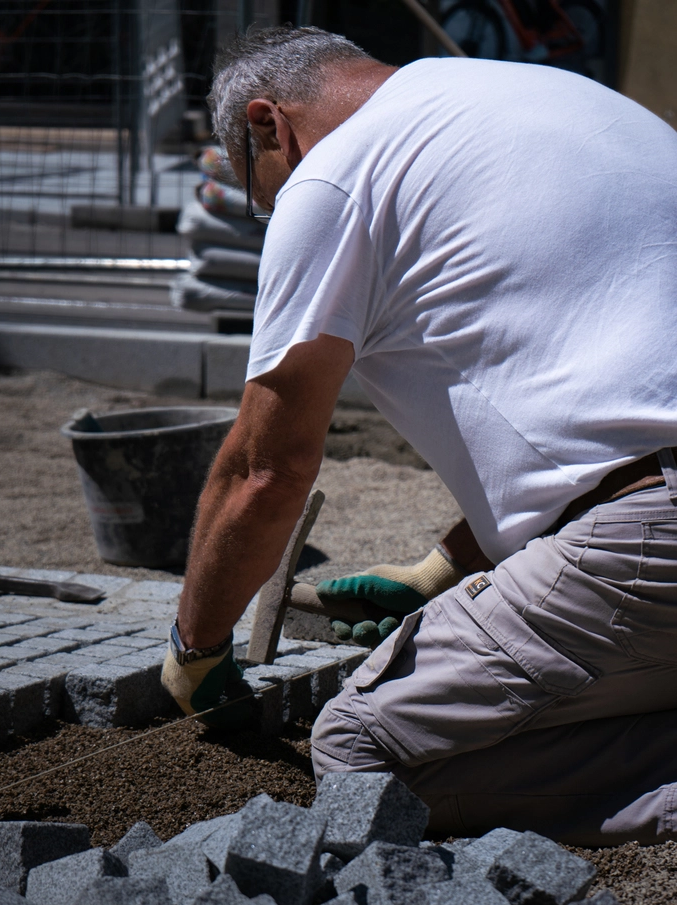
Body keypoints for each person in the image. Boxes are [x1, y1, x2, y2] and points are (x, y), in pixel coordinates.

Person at [161, 26, 677, 846]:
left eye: (262, 194)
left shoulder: (334, 172)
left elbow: (266, 469)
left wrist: (196, 644)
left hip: (657, 547)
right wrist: (445, 567)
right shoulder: (530, 96)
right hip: (653, 522)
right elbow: (618, 402)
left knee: (359, 748)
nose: (274, 213)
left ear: (268, 124)